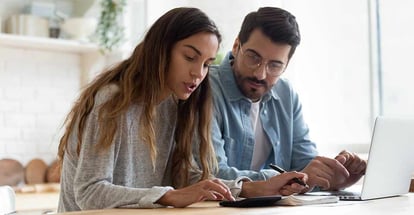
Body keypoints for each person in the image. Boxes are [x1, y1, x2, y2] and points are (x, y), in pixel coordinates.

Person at [57, 7, 308, 212]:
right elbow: (89, 192)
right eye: (190, 57)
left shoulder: (176, 105)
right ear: (161, 50)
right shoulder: (112, 101)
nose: (198, 74)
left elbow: (188, 178)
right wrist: (168, 196)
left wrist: (255, 188)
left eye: (207, 64)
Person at [209, 7, 366, 192]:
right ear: (236, 46)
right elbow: (212, 174)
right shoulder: (206, 89)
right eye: (253, 57)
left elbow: (305, 164)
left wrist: (333, 176)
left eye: (275, 65)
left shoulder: (286, 94)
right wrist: (286, 179)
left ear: (286, 65)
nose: (260, 74)